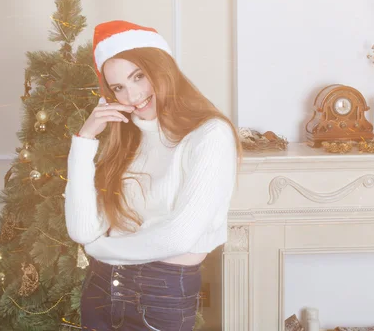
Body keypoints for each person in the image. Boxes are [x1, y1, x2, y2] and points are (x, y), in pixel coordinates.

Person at [64, 20, 243, 330]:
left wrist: (102, 250)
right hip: (100, 287)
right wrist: (84, 141)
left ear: (162, 70)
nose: (132, 95)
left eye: (138, 77)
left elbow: (181, 236)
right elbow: (82, 231)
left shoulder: (211, 135)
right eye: (118, 87)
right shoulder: (126, 139)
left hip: (161, 292)